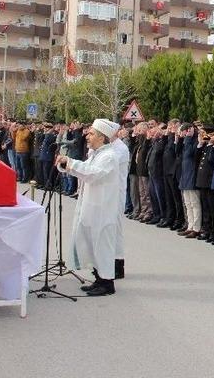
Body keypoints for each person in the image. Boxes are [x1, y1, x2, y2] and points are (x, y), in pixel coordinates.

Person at [55, 119, 122, 297]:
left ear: (101, 137)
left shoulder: (109, 156)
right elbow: (85, 170)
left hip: (103, 208)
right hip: (93, 206)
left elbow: (93, 174)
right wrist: (68, 165)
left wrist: (71, 163)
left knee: (102, 245)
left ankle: (107, 283)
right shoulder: (97, 153)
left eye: (91, 133)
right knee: (93, 244)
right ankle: (99, 279)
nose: (87, 136)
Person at [110, 125, 131, 280]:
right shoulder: (110, 147)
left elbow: (109, 166)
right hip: (107, 193)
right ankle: (108, 263)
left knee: (115, 229)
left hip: (116, 193)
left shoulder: (120, 148)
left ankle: (118, 265)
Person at [178, 123, 202, 238]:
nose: (182, 134)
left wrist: (188, 137)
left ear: (189, 130)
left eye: (184, 132)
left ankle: (196, 228)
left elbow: (190, 153)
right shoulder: (186, 141)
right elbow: (179, 153)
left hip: (192, 175)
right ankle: (190, 225)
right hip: (185, 175)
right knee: (188, 203)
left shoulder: (194, 140)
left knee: (194, 203)